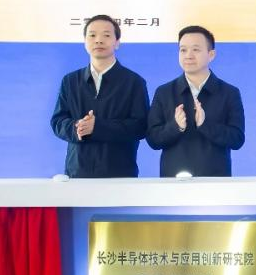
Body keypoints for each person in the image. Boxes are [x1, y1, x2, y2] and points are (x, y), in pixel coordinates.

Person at [50, 15, 149, 178]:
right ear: (85, 41)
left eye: (106, 35)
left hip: (120, 174)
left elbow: (141, 126)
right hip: (77, 172)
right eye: (92, 35)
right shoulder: (70, 81)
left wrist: (98, 127)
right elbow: (58, 121)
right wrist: (77, 128)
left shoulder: (134, 82)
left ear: (117, 42)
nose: (98, 40)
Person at [146, 26, 245, 177]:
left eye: (196, 50)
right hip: (173, 181)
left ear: (211, 55)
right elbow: (153, 139)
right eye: (183, 50)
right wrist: (176, 126)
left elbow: (237, 139)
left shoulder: (229, 93)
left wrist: (205, 125)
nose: (188, 55)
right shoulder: (164, 92)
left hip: (216, 181)